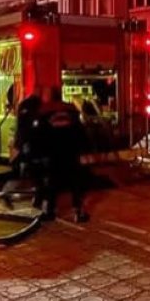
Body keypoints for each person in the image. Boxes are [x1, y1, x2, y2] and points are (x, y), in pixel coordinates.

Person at [32, 88, 90, 222]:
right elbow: (80, 130)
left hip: (52, 153)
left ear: (50, 97)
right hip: (70, 151)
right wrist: (84, 148)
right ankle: (78, 211)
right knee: (75, 182)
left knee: (51, 182)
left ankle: (49, 211)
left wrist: (37, 153)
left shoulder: (44, 111)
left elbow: (38, 134)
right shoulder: (71, 109)